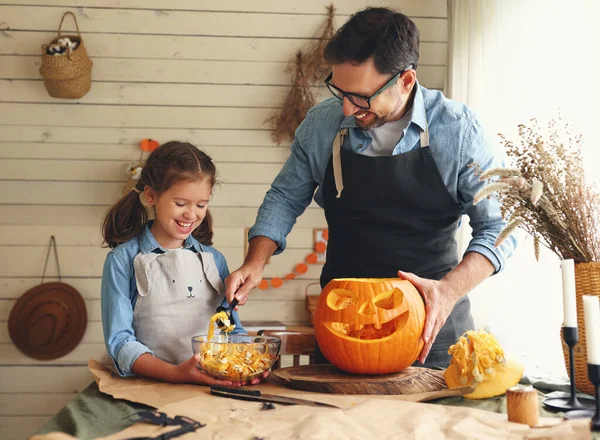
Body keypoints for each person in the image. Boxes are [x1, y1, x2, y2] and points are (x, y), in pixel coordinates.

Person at [225, 7, 517, 368]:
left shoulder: (458, 131)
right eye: (340, 90)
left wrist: (448, 291)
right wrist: (256, 261)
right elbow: (285, 197)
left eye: (362, 96)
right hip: (342, 329)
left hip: (432, 332)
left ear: (406, 81)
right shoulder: (322, 124)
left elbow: (501, 228)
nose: (347, 107)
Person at [100, 141, 266, 386]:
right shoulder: (122, 261)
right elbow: (121, 343)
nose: (192, 215)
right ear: (151, 196)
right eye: (180, 204)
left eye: (201, 205)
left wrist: (249, 361)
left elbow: (229, 328)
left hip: (212, 386)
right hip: (148, 388)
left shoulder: (214, 260)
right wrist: (176, 374)